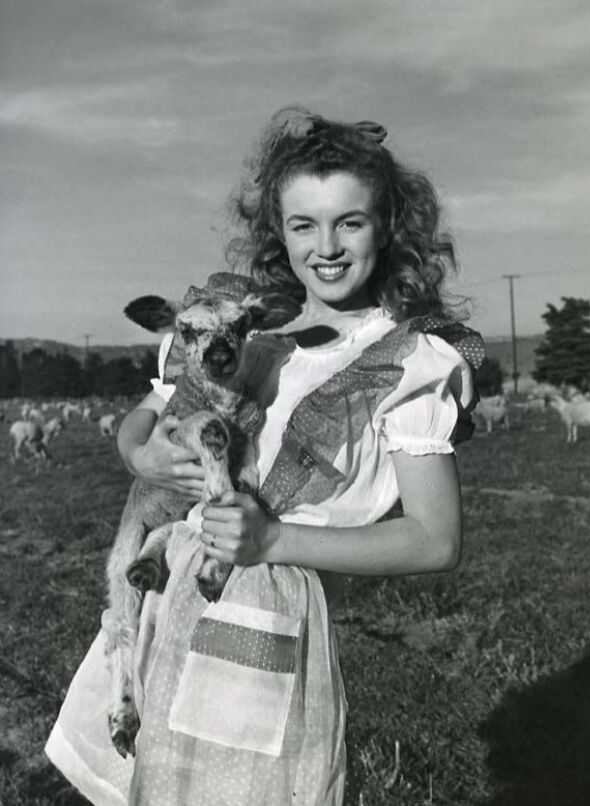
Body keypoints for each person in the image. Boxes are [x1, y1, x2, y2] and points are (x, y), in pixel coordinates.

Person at [46, 106, 484, 805]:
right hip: (161, 602)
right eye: (303, 224)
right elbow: (149, 412)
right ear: (277, 233)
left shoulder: (408, 363)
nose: (327, 246)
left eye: (351, 221)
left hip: (264, 625)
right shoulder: (250, 332)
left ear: (388, 227)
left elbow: (436, 540)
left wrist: (274, 537)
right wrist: (139, 456)